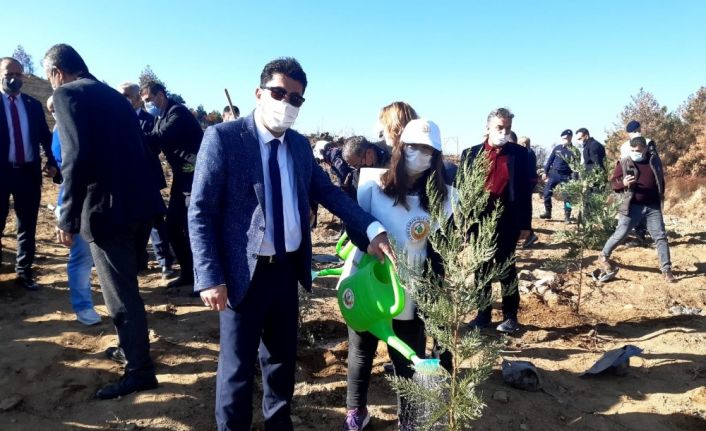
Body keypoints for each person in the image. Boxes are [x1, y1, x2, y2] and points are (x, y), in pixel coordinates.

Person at [188, 57, 392, 431]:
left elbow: (330, 194)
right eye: (279, 93)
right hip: (241, 276)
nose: (286, 103)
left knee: (281, 363)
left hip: (286, 271)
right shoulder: (225, 139)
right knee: (236, 370)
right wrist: (209, 275)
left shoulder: (299, 146)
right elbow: (200, 210)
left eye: (295, 98)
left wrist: (373, 227)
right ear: (259, 92)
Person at [44, 43, 165, 399]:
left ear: (56, 73)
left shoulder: (67, 94)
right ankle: (131, 349)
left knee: (120, 294)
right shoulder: (115, 97)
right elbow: (140, 150)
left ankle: (140, 370)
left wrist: (66, 216)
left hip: (106, 211)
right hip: (139, 206)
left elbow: (75, 158)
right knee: (127, 284)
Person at [340, 119, 454, 431]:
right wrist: (370, 240)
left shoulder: (443, 198)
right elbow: (353, 224)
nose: (422, 155)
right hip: (368, 280)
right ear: (401, 149)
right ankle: (356, 413)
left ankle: (409, 418)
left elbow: (443, 245)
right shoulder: (370, 185)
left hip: (412, 288)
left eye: (430, 150)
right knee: (361, 352)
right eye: (415, 147)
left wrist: (438, 281)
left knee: (407, 358)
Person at [463, 108, 532, 333]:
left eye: (507, 128)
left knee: (506, 268)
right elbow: (463, 192)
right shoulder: (470, 154)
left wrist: (525, 225)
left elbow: (524, 192)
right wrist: (463, 223)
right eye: (499, 127)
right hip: (479, 222)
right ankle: (482, 314)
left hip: (508, 221)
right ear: (488, 128)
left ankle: (510, 316)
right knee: (481, 269)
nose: (503, 132)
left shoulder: (519, 155)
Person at [0, 57, 58, 290]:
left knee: (27, 225)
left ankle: (24, 273)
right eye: (8, 73)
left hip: (28, 173)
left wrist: (52, 162)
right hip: (1, 173)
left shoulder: (33, 105)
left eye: (19, 74)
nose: (14, 78)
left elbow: (46, 137)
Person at [141, 81, 203, 288]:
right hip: (181, 177)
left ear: (160, 95)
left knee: (192, 229)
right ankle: (188, 273)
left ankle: (202, 278)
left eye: (149, 100)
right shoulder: (160, 118)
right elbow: (155, 146)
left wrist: (130, 136)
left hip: (196, 176)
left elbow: (158, 137)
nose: (147, 104)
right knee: (173, 227)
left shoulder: (178, 113)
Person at [46, 95, 101, 326]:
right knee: (81, 257)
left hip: (89, 199)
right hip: (75, 202)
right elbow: (70, 173)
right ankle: (83, 306)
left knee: (89, 257)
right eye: (52, 109)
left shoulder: (76, 128)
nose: (55, 112)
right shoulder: (62, 132)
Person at [118, 82, 175, 278]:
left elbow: (155, 146)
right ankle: (139, 261)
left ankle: (165, 262)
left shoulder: (149, 119)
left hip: (147, 177)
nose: (122, 99)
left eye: (126, 95)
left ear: (136, 98)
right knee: (132, 221)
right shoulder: (115, 119)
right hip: (125, 179)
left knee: (155, 219)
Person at [599, 136, 675, 283]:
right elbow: (613, 184)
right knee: (621, 234)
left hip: (653, 206)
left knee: (660, 236)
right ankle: (603, 255)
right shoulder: (625, 162)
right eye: (632, 150)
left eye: (638, 150)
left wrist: (661, 196)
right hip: (632, 206)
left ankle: (666, 270)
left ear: (645, 149)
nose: (635, 153)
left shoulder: (654, 160)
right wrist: (623, 183)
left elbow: (660, 180)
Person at [619, 120, 654, 245]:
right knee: (628, 208)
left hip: (640, 180)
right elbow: (622, 164)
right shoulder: (625, 146)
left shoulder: (649, 142)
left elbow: (654, 162)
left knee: (639, 208)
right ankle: (626, 235)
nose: (637, 133)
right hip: (630, 180)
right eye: (634, 131)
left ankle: (639, 236)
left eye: (637, 131)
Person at [540, 129, 576, 222]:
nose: (566, 139)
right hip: (554, 174)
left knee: (567, 197)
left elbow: (577, 167)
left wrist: (575, 178)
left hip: (566, 176)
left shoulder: (574, 151)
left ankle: (567, 216)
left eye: (567, 138)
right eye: (564, 138)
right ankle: (548, 212)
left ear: (571, 137)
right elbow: (549, 161)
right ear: (561, 138)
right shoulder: (557, 148)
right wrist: (545, 172)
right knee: (547, 193)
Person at [518, 136, 539, 248]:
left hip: (528, 182)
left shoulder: (528, 154)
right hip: (528, 181)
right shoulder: (528, 153)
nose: (523, 145)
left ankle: (528, 234)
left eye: (525, 143)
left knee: (521, 208)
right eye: (522, 143)